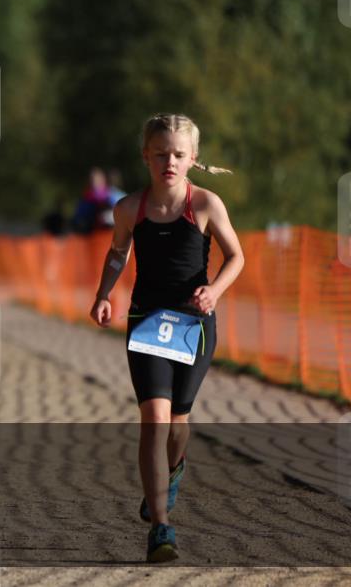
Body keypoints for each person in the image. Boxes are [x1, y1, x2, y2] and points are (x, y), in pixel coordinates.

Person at [89, 113, 244, 562]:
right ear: (146, 157)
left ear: (193, 158)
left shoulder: (206, 205)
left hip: (195, 323)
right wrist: (103, 294)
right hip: (146, 321)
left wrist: (213, 291)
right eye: (160, 154)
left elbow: (237, 257)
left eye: (178, 154)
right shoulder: (129, 208)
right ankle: (161, 526)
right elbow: (118, 252)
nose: (169, 162)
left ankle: (173, 472)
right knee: (154, 421)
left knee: (178, 424)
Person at [71, 167, 112, 233]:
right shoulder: (84, 200)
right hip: (91, 235)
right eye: (92, 179)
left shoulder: (113, 196)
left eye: (97, 179)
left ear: (104, 180)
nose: (94, 182)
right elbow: (77, 220)